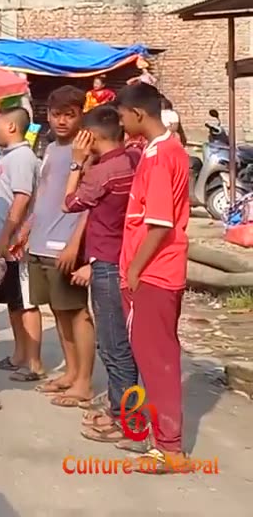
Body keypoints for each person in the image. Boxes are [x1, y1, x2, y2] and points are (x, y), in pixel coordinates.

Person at [114, 83, 190, 470]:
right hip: (157, 270)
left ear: (138, 114)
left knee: (157, 359)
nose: (121, 122)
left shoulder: (161, 157)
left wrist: (134, 268)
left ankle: (170, 448)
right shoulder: (162, 150)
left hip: (155, 272)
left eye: (123, 115)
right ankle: (156, 437)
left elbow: (159, 223)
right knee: (151, 356)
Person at [61, 105, 141, 444]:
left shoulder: (102, 172)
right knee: (120, 342)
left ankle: (125, 418)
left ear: (89, 136)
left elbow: (70, 203)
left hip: (106, 262)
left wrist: (78, 163)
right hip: (123, 256)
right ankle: (117, 407)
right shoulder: (132, 161)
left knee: (113, 345)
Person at [24, 86, 95, 408]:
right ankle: (70, 373)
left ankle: (83, 382)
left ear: (82, 113)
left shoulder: (88, 149)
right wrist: (28, 229)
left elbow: (92, 203)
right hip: (41, 241)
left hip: (67, 245)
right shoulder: (51, 147)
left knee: (78, 313)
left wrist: (76, 245)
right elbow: (45, 193)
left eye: (70, 114)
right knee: (58, 312)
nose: (62, 121)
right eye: (56, 114)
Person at [0, 107, 44, 383]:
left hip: (16, 244)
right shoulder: (6, 157)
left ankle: (33, 362)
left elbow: (21, 199)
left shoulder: (22, 157)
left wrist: (6, 235)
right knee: (13, 303)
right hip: (4, 246)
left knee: (26, 303)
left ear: (11, 127)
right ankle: (19, 354)